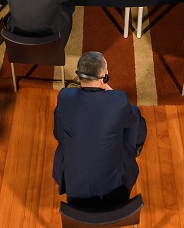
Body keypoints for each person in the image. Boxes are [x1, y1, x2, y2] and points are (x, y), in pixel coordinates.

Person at [53, 52, 146, 208]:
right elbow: (130, 119)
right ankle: (136, 148)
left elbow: (57, 134)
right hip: (115, 187)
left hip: (75, 186)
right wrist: (109, 91)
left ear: (79, 76)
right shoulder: (118, 100)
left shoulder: (65, 97)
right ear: (105, 76)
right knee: (135, 114)